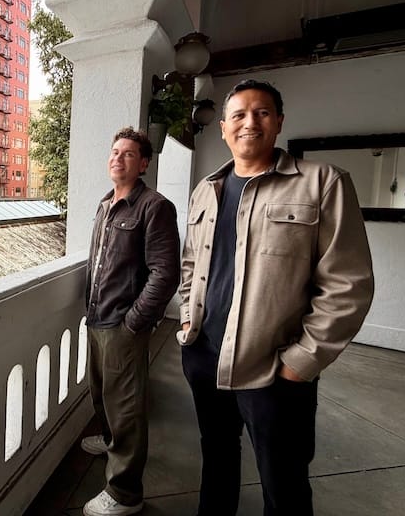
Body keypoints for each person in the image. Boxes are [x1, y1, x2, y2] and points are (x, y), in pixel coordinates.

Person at [177, 79, 374, 516]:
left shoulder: (321, 184)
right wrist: (188, 324)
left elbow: (348, 284)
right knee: (217, 462)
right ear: (224, 128)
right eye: (240, 115)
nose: (251, 122)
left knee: (282, 481)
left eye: (262, 112)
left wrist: (300, 363)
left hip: (274, 370)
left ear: (279, 122)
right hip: (206, 356)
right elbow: (192, 264)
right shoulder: (206, 191)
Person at [81, 126, 181, 516]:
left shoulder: (154, 207)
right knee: (100, 395)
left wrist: (134, 323)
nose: (117, 158)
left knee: (126, 409)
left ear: (143, 164)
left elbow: (165, 273)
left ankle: (125, 492)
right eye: (114, 151)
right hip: (97, 318)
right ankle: (110, 442)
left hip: (124, 324)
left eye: (127, 154)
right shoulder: (106, 205)